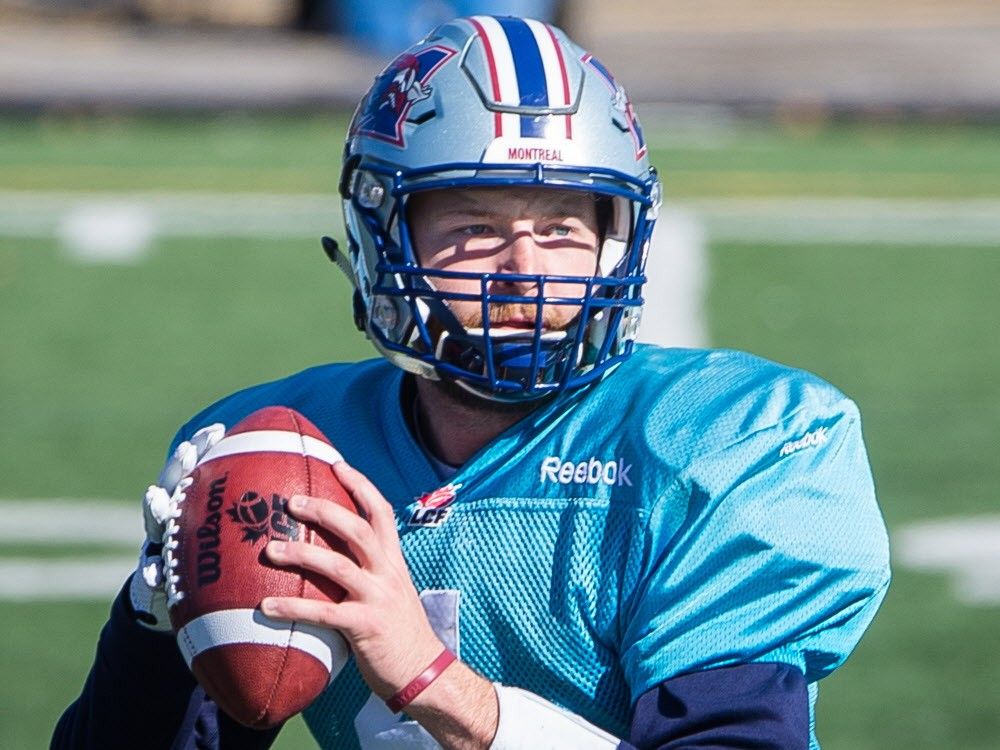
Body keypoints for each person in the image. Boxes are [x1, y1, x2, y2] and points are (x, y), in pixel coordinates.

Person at [53, 14, 890, 750]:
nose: (525, 270)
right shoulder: (281, 453)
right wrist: (153, 630)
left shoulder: (727, 445)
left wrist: (433, 682)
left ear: (618, 241)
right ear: (387, 236)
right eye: (474, 228)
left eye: (562, 226)